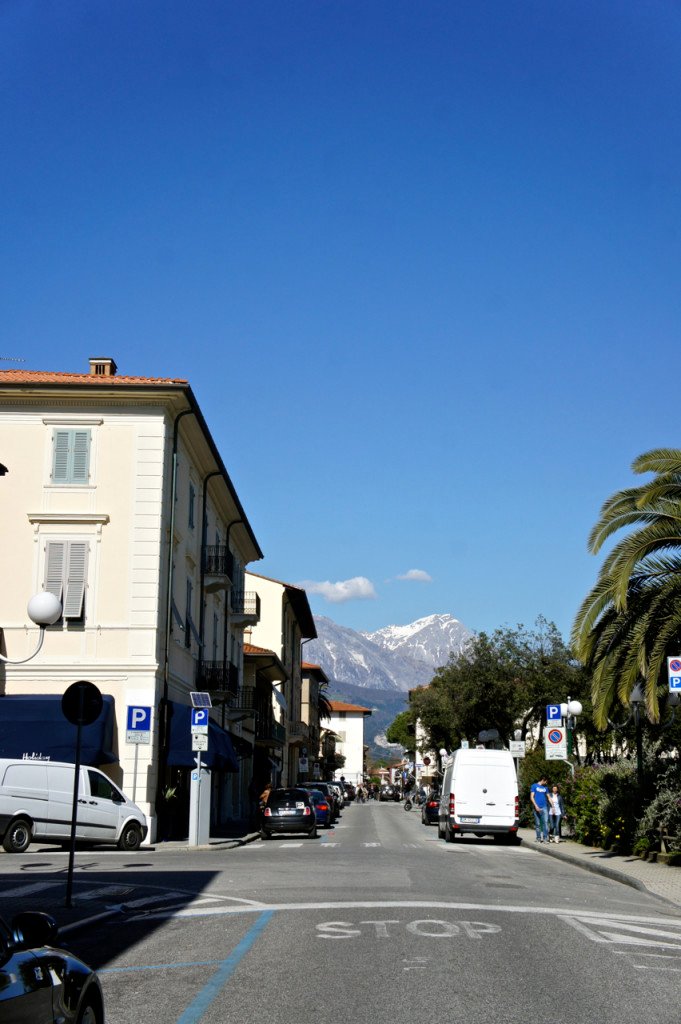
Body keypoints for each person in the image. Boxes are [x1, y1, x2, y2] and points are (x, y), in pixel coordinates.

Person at [530, 775, 550, 843]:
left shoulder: (546, 788)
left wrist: (553, 805)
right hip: (536, 807)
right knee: (538, 824)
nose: (546, 783)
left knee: (545, 823)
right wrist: (535, 805)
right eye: (546, 781)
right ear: (543, 780)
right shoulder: (534, 786)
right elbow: (532, 797)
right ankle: (538, 838)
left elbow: (548, 797)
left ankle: (545, 838)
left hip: (544, 807)